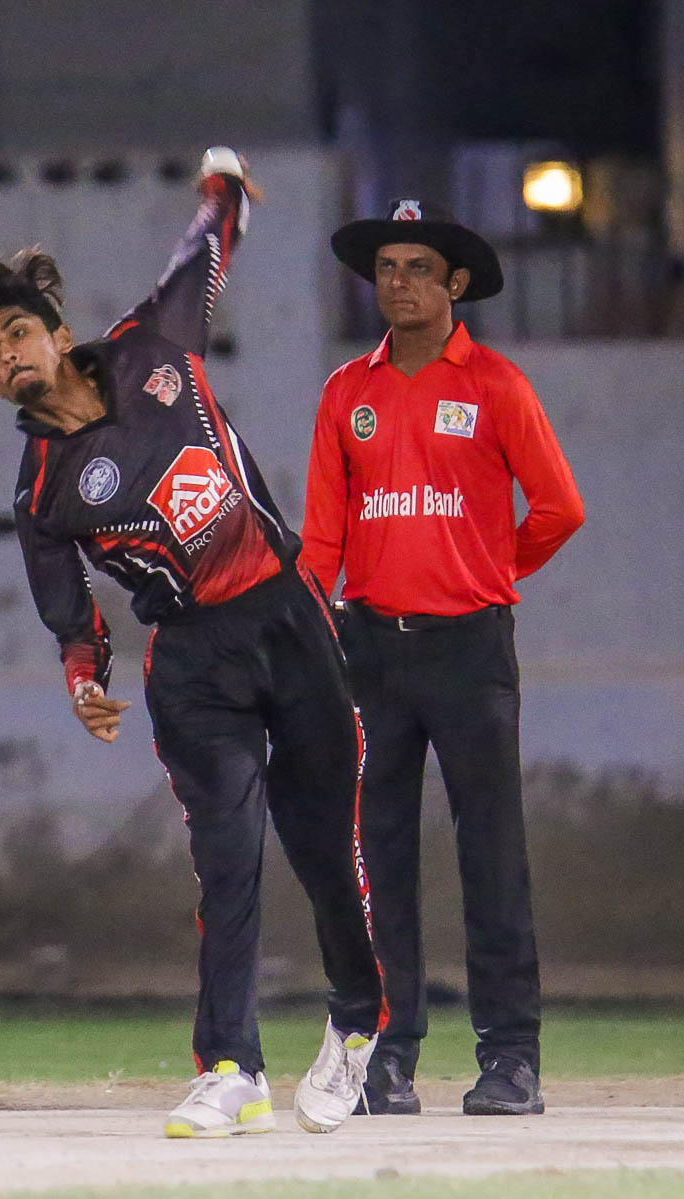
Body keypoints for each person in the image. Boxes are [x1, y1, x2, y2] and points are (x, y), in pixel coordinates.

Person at [0, 148, 386, 1137]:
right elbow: (70, 612)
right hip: (190, 664)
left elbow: (204, 248)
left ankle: (357, 1024)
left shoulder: (154, 346)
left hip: (286, 619)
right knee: (226, 860)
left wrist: (222, 186)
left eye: (16, 334)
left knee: (323, 849)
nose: (4, 356)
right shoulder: (41, 490)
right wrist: (83, 681)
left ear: (58, 336)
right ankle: (231, 1067)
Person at [302, 199, 584, 1117]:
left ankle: (510, 1059)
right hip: (367, 649)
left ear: (455, 283)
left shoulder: (495, 384)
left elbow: (559, 508)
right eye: (386, 268)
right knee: (377, 859)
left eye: (418, 268)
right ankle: (384, 1060)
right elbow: (320, 539)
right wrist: (305, 637)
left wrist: (488, 568)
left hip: (469, 646)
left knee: (490, 852)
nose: (399, 284)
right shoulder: (346, 393)